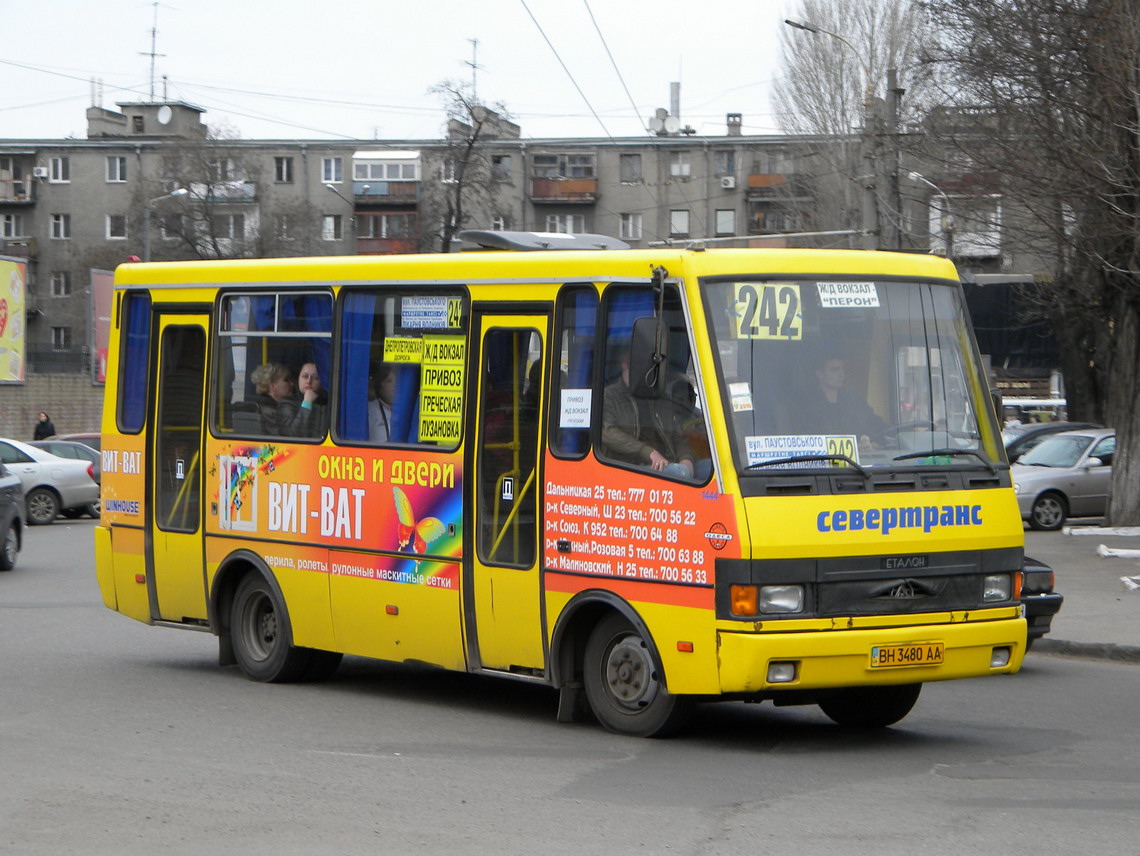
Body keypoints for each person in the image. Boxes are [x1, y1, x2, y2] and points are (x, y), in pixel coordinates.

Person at [602, 348, 695, 478]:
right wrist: (649, 452)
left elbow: (677, 435)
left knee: (709, 468)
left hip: (669, 461)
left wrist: (686, 459)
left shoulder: (658, 397)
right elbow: (608, 433)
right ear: (626, 363)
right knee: (681, 473)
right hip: (631, 467)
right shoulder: (610, 396)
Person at [804, 356, 886, 450]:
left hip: (857, 463)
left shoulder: (856, 403)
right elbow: (807, 439)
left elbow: (877, 428)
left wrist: (869, 440)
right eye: (835, 370)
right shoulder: (806, 406)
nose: (842, 374)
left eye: (842, 369)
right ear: (820, 374)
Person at [251, 362, 307, 436]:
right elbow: (289, 436)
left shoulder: (262, 407)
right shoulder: (270, 413)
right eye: (286, 380)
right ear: (273, 386)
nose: (292, 384)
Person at [295, 361, 328, 437]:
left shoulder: (328, 404)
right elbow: (293, 434)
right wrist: (307, 403)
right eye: (305, 376)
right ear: (298, 378)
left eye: (316, 378)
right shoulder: (287, 403)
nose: (309, 381)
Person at [368, 363, 396, 442]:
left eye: (397, 381)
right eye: (389, 381)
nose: (394, 385)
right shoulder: (371, 410)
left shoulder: (407, 411)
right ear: (379, 385)